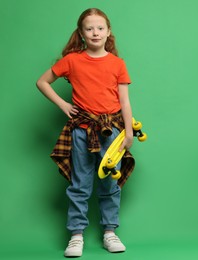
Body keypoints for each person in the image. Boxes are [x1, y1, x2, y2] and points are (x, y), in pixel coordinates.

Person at [36, 8, 135, 257]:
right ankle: (76, 235)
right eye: (89, 28)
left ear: (108, 31)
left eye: (100, 28)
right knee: (80, 184)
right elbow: (42, 82)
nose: (95, 32)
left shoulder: (117, 64)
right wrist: (63, 104)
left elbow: (124, 101)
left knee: (110, 183)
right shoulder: (71, 60)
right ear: (81, 33)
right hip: (81, 131)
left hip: (112, 132)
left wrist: (129, 133)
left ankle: (110, 232)